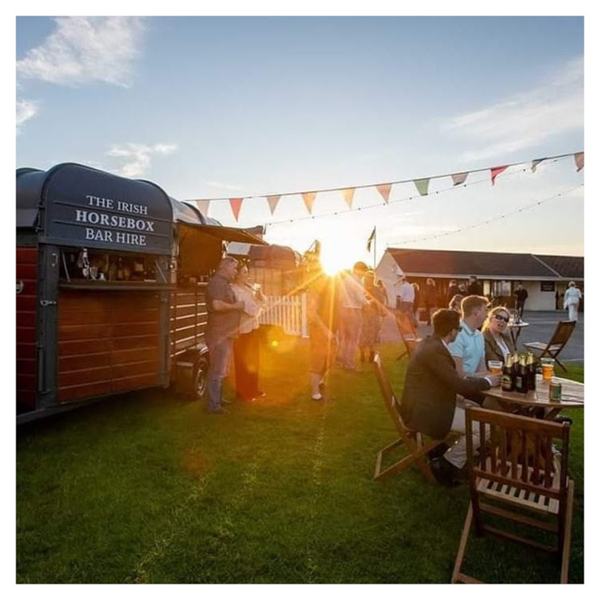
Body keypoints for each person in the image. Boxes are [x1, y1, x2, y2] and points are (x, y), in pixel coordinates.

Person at [400, 309, 500, 486]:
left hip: (425, 401)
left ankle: (445, 453)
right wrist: (488, 381)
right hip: (426, 411)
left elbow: (449, 381)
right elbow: (459, 385)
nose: (459, 333)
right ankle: (446, 464)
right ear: (453, 331)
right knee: (484, 426)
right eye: (458, 330)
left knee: (474, 408)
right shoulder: (435, 352)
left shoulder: (430, 343)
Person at [205, 256, 244, 414]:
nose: (236, 272)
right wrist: (237, 306)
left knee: (222, 369)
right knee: (217, 370)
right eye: (234, 268)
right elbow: (217, 305)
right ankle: (213, 405)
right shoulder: (217, 283)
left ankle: (218, 399)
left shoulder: (224, 283)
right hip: (218, 334)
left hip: (226, 333)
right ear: (224, 267)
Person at [231, 264, 267, 402]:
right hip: (242, 330)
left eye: (248, 272)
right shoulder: (234, 290)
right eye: (245, 272)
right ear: (237, 275)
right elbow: (250, 311)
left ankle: (253, 389)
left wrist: (260, 295)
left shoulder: (249, 287)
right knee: (242, 362)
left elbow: (265, 303)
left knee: (254, 361)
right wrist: (259, 305)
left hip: (253, 328)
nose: (248, 275)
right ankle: (242, 393)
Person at [307, 269, 338, 401]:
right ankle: (314, 393)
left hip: (331, 329)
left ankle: (320, 381)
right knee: (318, 360)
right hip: (320, 330)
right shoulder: (314, 290)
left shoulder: (331, 288)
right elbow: (312, 313)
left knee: (329, 359)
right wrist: (325, 330)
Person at [337, 262, 368, 370]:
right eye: (364, 271)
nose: (364, 274)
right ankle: (349, 364)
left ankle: (342, 358)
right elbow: (360, 298)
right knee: (353, 339)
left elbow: (340, 297)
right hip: (354, 310)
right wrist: (369, 302)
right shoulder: (358, 281)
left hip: (343, 309)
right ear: (360, 270)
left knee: (344, 337)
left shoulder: (345, 280)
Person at [448, 295, 489, 376]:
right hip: (458, 386)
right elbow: (458, 373)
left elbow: (482, 368)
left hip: (474, 384)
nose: (487, 315)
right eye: (485, 310)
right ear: (476, 312)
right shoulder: (456, 334)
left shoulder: (479, 335)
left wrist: (489, 378)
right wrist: (485, 378)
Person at [359, 271, 386, 363]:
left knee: (370, 334)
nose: (369, 280)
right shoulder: (362, 288)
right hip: (366, 314)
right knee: (366, 334)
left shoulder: (373, 289)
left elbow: (381, 301)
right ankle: (366, 354)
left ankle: (368, 354)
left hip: (371, 314)